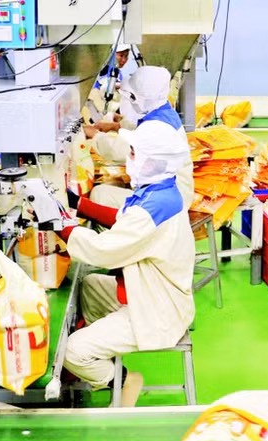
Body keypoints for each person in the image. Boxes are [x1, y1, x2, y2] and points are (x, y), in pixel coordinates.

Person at [60, 120, 195, 407]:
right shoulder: (159, 191)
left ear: (152, 161)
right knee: (91, 285)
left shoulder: (155, 207)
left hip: (157, 313)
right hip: (150, 292)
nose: (129, 158)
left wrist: (59, 227)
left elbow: (103, 250)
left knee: (73, 351)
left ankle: (122, 380)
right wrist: (79, 205)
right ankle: (103, 352)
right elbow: (124, 219)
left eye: (133, 153)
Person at [84, 66, 195, 211]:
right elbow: (140, 125)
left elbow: (121, 149)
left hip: (165, 203)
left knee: (99, 195)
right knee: (113, 184)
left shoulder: (157, 128)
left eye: (132, 97)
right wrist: (116, 125)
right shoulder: (163, 111)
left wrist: (95, 136)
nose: (130, 100)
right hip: (169, 192)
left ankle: (129, 232)